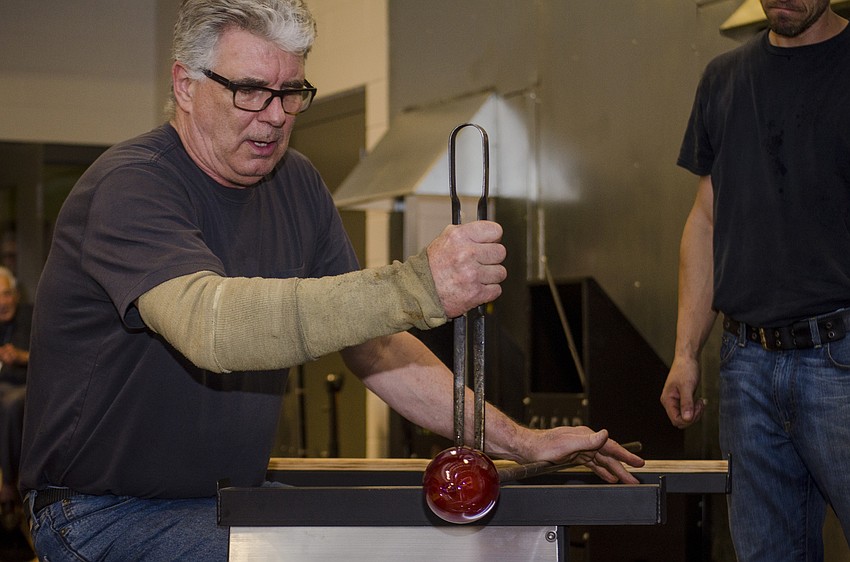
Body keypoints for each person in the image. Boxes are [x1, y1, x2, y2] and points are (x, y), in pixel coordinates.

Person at [19, 1, 644, 559]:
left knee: (411, 547)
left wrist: (517, 441)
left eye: (291, 92)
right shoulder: (130, 187)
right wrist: (417, 287)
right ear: (185, 85)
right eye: (250, 91)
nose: (274, 116)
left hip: (229, 499)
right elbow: (210, 326)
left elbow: (375, 345)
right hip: (102, 514)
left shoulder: (297, 184)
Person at [660, 1, 850, 560]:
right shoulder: (723, 79)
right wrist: (685, 352)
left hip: (841, 359)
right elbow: (705, 219)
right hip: (747, 368)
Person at [0, 267, 30, 530]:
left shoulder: (32, 316)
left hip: (27, 387)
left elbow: (52, 355)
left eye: (7, 294)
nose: (2, 302)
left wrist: (22, 356)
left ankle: (9, 485)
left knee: (10, 404)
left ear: (16, 295)